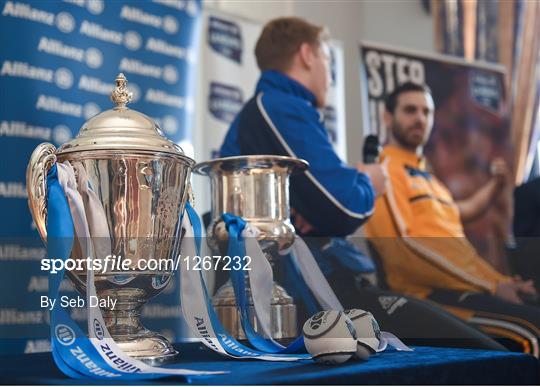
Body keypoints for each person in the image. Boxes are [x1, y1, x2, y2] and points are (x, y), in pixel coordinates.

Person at [219, 17, 504, 351]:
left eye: (427, 112)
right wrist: (369, 181)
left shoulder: (280, 110)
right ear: (307, 55)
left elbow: (326, 205)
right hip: (302, 291)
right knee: (488, 353)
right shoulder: (277, 107)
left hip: (322, 283)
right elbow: (343, 206)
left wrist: (338, 194)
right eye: (327, 58)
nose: (330, 72)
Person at [365, 81, 540, 356]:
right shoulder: (382, 174)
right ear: (388, 117)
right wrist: (492, 286)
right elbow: (402, 249)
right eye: (410, 110)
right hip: (432, 297)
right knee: (533, 332)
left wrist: (503, 282)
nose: (419, 118)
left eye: (426, 112)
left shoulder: (432, 181)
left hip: (472, 290)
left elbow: (462, 224)